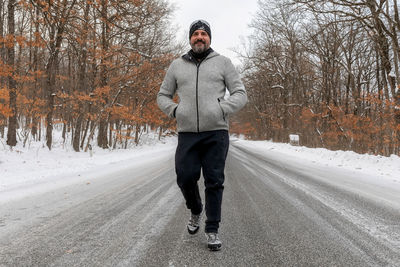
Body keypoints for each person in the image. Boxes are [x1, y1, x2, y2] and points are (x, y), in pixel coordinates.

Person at [157, 19, 247, 251]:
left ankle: (212, 229)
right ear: (190, 38)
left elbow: (240, 93)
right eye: (195, 34)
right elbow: (163, 96)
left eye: (203, 34)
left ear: (209, 38)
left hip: (216, 133)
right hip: (187, 133)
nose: (199, 37)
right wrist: (176, 111)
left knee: (214, 181)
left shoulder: (223, 63)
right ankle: (196, 209)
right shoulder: (176, 65)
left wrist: (221, 108)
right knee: (185, 177)